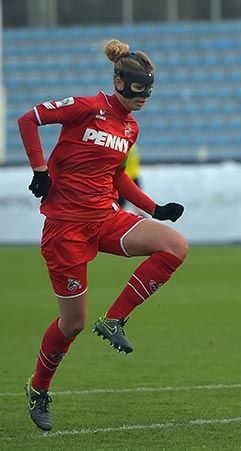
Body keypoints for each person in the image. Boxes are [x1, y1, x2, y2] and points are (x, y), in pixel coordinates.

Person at [17, 39, 188, 431]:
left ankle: (115, 319)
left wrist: (153, 209)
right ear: (119, 81)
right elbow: (28, 119)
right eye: (138, 88)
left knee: (174, 246)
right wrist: (39, 169)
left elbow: (115, 177)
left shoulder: (130, 127)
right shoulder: (85, 107)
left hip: (105, 219)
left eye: (149, 90)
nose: (143, 96)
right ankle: (39, 388)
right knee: (72, 323)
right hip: (66, 230)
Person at [118, 143, 142, 213]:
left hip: (126, 178)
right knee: (138, 204)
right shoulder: (134, 146)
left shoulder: (123, 145)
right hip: (131, 177)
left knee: (120, 206)